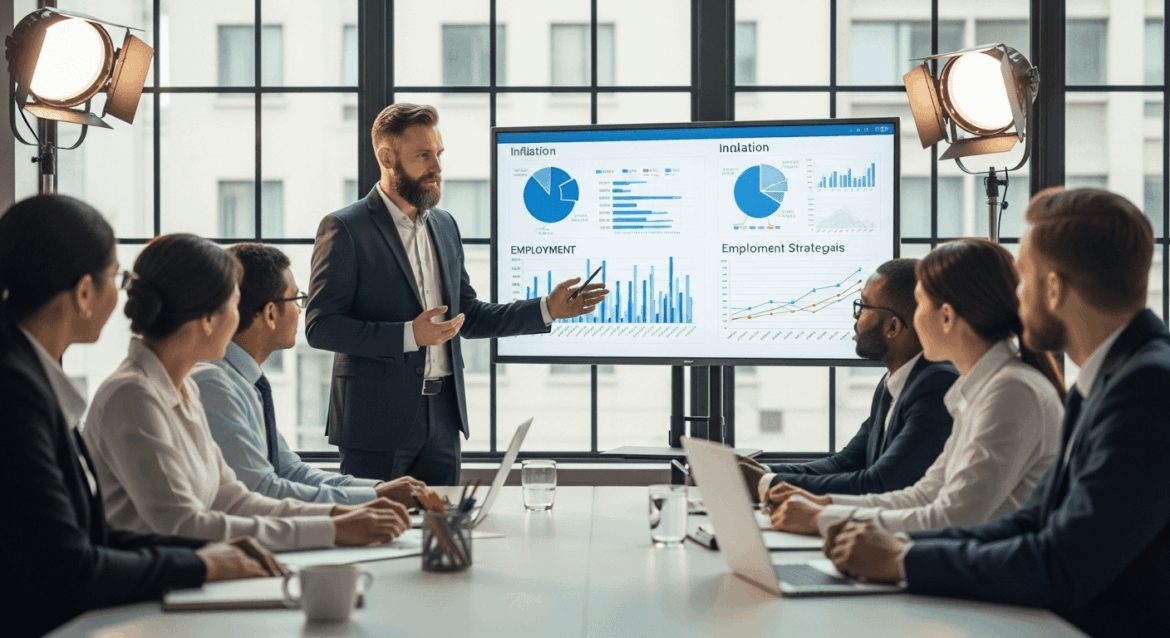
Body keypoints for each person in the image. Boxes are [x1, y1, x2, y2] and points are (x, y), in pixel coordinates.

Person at [823, 188, 1170, 638]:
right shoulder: (1112, 377)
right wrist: (899, 548)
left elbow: (1064, 563)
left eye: (1023, 279)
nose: (1016, 298)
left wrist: (901, 559)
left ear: (1053, 288)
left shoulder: (1146, 388)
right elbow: (1032, 521)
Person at [0, 196, 286, 638]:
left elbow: (92, 537)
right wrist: (199, 562)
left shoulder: (30, 375)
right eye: (114, 277)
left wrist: (208, 556)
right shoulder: (16, 392)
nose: (122, 294)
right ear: (83, 292)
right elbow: (68, 568)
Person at [306, 103, 608, 485]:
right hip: (375, 425)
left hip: (443, 420)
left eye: (439, 154)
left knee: (445, 531)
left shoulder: (445, 225)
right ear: (387, 157)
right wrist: (408, 335)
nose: (437, 166)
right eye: (423, 155)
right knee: (378, 531)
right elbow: (321, 327)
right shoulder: (345, 228)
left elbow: (470, 315)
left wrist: (546, 309)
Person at [83, 234, 410, 552]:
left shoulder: (185, 390)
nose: (240, 321)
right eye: (236, 306)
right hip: (155, 593)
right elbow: (183, 526)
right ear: (209, 318)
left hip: (189, 579)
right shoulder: (133, 396)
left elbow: (233, 499)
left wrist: (338, 516)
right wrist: (332, 528)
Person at [769, 239, 1064, 536]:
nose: (915, 317)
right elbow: (924, 495)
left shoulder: (1011, 392)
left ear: (946, 316)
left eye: (920, 303)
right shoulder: (978, 390)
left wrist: (823, 517)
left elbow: (955, 515)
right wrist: (824, 504)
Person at [194, 243, 428, 505]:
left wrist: (380, 488)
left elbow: (290, 471)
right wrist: (373, 496)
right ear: (271, 313)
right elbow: (261, 489)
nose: (300, 310)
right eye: (296, 299)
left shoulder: (246, 381)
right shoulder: (213, 386)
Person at [740, 258, 958, 500]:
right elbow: (849, 462)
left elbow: (881, 483)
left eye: (864, 307)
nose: (856, 318)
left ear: (892, 327)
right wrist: (764, 472)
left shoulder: (936, 388)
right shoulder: (895, 382)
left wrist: (765, 484)